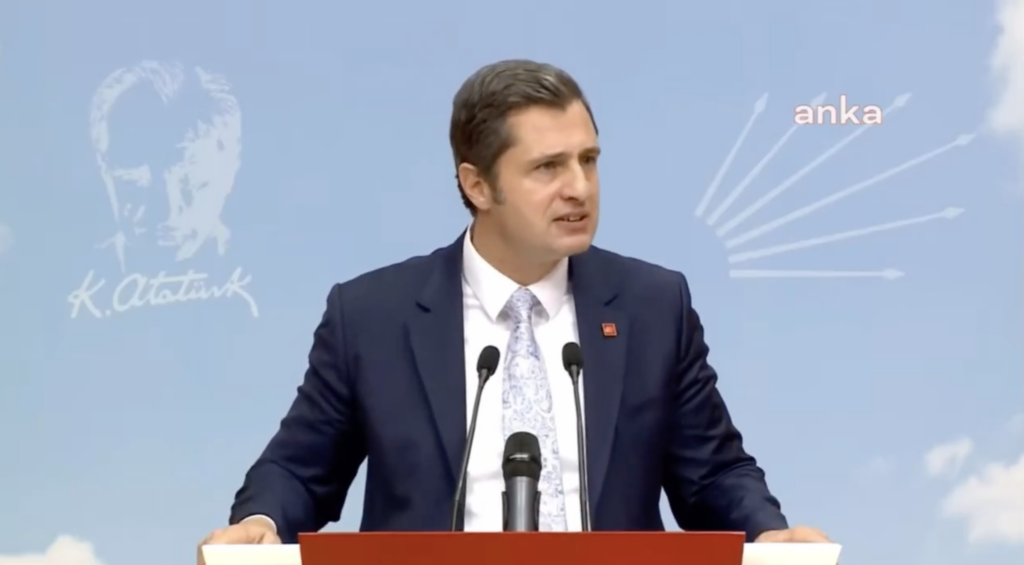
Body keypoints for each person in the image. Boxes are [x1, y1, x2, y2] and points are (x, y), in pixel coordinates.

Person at [198, 59, 830, 558]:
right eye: (548, 167)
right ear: (477, 185)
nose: (579, 188)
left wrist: (766, 533)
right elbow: (298, 470)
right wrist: (262, 521)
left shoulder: (653, 306)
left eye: (588, 160)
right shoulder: (371, 316)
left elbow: (712, 474)